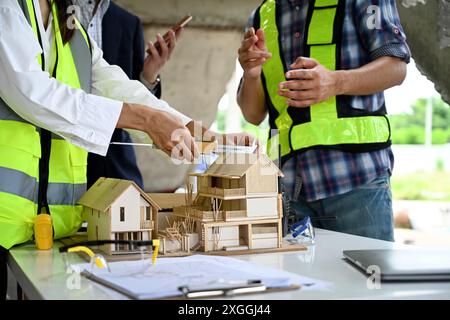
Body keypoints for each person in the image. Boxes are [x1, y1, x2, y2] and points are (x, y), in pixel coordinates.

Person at [0, 0, 251, 299]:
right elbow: (31, 91)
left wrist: (206, 135)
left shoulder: (69, 25)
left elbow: (118, 87)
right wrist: (145, 119)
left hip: (47, 232)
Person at [237, 0, 410, 242]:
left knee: (361, 280)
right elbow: (252, 114)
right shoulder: (261, 16)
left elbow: (396, 67)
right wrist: (251, 74)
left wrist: (336, 82)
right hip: (289, 192)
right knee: (302, 281)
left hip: (356, 183)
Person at [73, 0, 180, 188]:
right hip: (63, 156)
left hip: (115, 164)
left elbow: (131, 94)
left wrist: (149, 75)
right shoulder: (55, 12)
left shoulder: (128, 23)